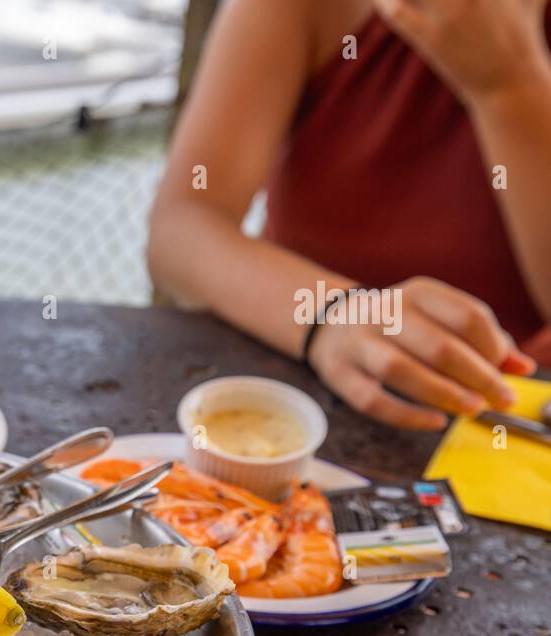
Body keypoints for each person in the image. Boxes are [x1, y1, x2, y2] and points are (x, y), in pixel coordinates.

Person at [148, 0, 550, 430]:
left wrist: (510, 85)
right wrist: (333, 315)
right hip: (300, 398)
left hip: (509, 421)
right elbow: (183, 223)